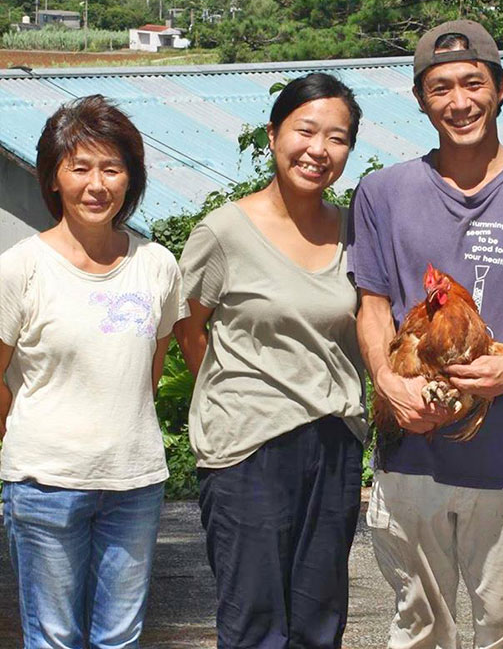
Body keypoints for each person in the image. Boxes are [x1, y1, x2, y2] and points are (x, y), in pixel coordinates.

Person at [348, 19, 503, 648]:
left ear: (502, 85)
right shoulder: (382, 193)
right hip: (410, 461)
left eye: (472, 83)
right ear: (419, 98)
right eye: (440, 88)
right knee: (418, 629)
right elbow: (372, 303)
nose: (459, 102)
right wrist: (385, 381)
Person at [174, 72, 368, 649]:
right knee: (256, 623)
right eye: (305, 130)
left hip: (334, 442)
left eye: (337, 138)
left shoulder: (353, 230)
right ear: (272, 134)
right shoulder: (225, 231)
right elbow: (188, 329)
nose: (318, 150)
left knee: (319, 620)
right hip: (248, 450)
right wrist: (241, 392)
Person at [0, 95, 186, 648]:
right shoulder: (20, 268)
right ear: (53, 178)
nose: (96, 184)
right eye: (79, 167)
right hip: (44, 484)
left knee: (120, 637)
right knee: (54, 637)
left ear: (131, 179)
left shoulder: (156, 264)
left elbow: (147, 372)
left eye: (112, 167)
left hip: (135, 483)